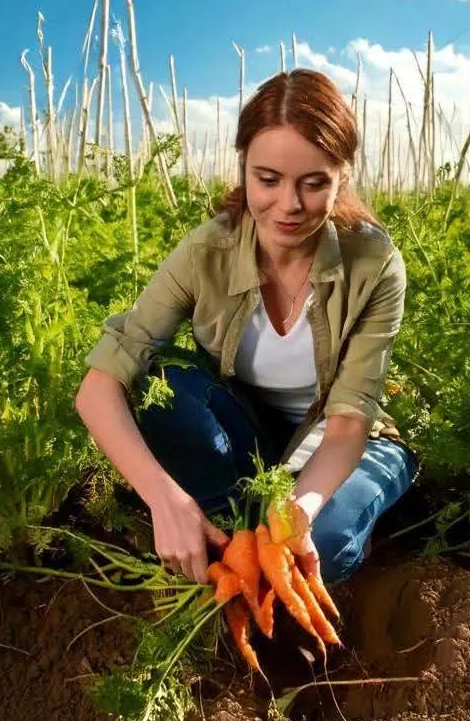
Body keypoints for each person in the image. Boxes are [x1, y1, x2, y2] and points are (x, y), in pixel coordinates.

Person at [74, 68, 418, 591]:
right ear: (244, 168)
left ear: (342, 176)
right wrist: (166, 501)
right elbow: (99, 388)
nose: (289, 205)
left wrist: (298, 513)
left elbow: (348, 424)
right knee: (163, 391)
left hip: (340, 438)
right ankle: (226, 536)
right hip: (247, 435)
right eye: (269, 179)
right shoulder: (205, 252)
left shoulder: (373, 264)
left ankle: (327, 527)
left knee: (321, 546)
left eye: (314, 183)